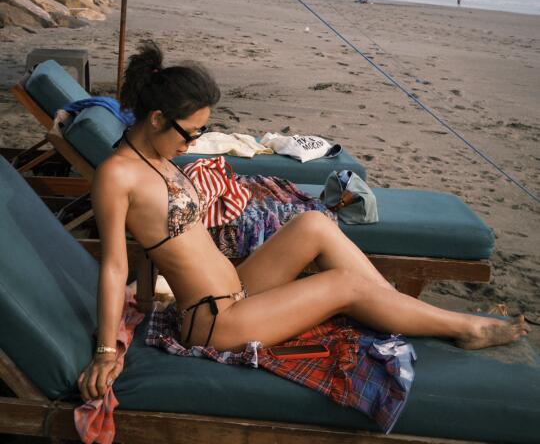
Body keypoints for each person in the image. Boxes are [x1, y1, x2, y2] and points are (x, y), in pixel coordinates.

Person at [78, 41, 528, 402]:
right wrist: (104, 351)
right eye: (190, 132)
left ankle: (393, 306)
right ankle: (464, 327)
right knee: (344, 285)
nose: (195, 141)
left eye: (201, 131)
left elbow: (152, 245)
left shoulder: (160, 155)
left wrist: (148, 300)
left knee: (313, 225)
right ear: (157, 119)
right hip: (217, 323)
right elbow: (115, 264)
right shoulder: (117, 175)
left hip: (238, 287)